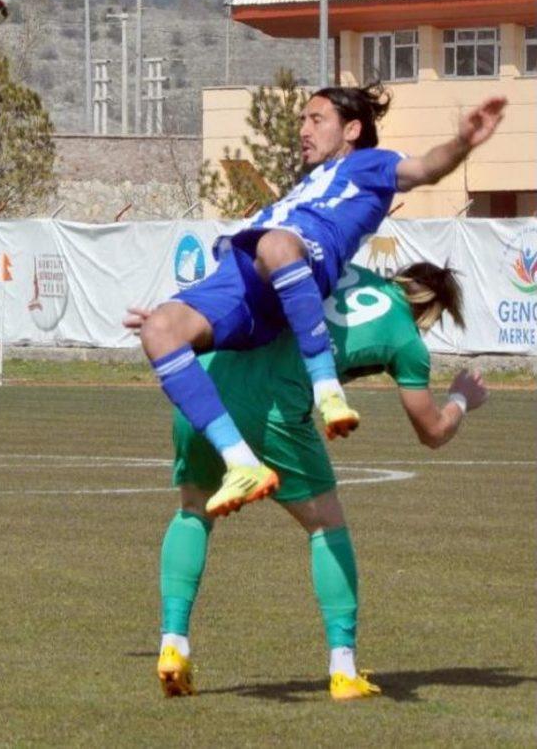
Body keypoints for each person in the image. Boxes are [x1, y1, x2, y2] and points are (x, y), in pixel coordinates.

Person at [124, 262, 489, 700]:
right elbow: (431, 431)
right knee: (325, 527)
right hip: (276, 408)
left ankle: (172, 646)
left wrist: (171, 327)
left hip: (205, 381)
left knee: (192, 512)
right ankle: (343, 668)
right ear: (430, 312)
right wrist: (462, 399)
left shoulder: (339, 268)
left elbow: (249, 283)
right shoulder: (406, 337)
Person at [139, 84, 506, 519]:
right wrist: (185, 320)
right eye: (301, 120)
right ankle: (240, 464)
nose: (303, 130)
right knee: (158, 329)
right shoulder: (306, 185)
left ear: (352, 129)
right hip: (242, 269)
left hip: (290, 262)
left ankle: (327, 390)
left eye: (316, 119)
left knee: (277, 245)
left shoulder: (370, 164)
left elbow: (425, 168)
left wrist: (462, 142)